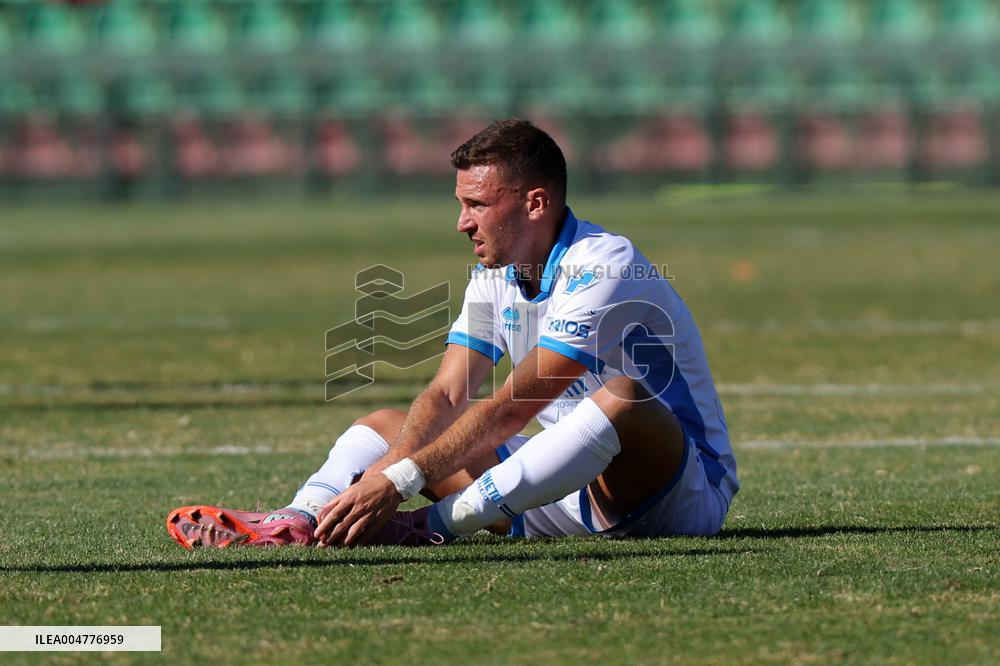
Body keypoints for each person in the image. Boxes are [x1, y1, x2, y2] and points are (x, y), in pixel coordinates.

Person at [166, 119, 738, 549]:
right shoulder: (493, 277)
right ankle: (302, 518)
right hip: (553, 490)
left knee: (622, 400)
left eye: (477, 204)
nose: (462, 222)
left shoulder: (605, 262)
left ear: (535, 203)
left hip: (675, 495)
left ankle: (426, 527)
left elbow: (518, 406)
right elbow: (445, 394)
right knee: (390, 426)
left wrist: (402, 483)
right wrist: (388, 471)